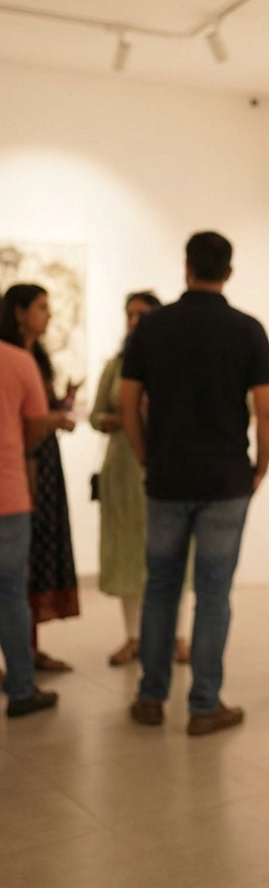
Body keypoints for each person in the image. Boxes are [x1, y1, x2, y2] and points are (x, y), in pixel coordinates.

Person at [119, 231, 269, 736]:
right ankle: (204, 705)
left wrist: (147, 455)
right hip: (226, 478)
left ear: (186, 267)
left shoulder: (151, 327)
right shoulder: (248, 330)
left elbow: (127, 403)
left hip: (166, 477)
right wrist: (261, 467)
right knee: (214, 594)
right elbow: (268, 411)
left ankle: (150, 696)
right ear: (228, 271)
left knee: (161, 587)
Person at [89, 291, 193, 667]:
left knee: (174, 555)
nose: (135, 320)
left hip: (164, 466)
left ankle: (178, 637)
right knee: (127, 555)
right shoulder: (115, 366)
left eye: (142, 313)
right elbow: (95, 414)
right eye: (129, 313)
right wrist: (114, 420)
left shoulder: (172, 360)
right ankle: (133, 637)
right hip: (122, 471)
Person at [0, 284, 80, 673]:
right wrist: (51, 419)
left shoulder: (35, 359)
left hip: (38, 468)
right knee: (14, 578)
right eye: (42, 307)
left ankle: (26, 653)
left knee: (27, 567)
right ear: (19, 312)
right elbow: (29, 425)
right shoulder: (16, 359)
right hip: (19, 473)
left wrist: (59, 407)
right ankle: (20, 668)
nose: (48, 315)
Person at [0, 336, 60, 716]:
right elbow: (37, 425)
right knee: (10, 596)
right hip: (8, 491)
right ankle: (22, 689)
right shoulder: (18, 361)